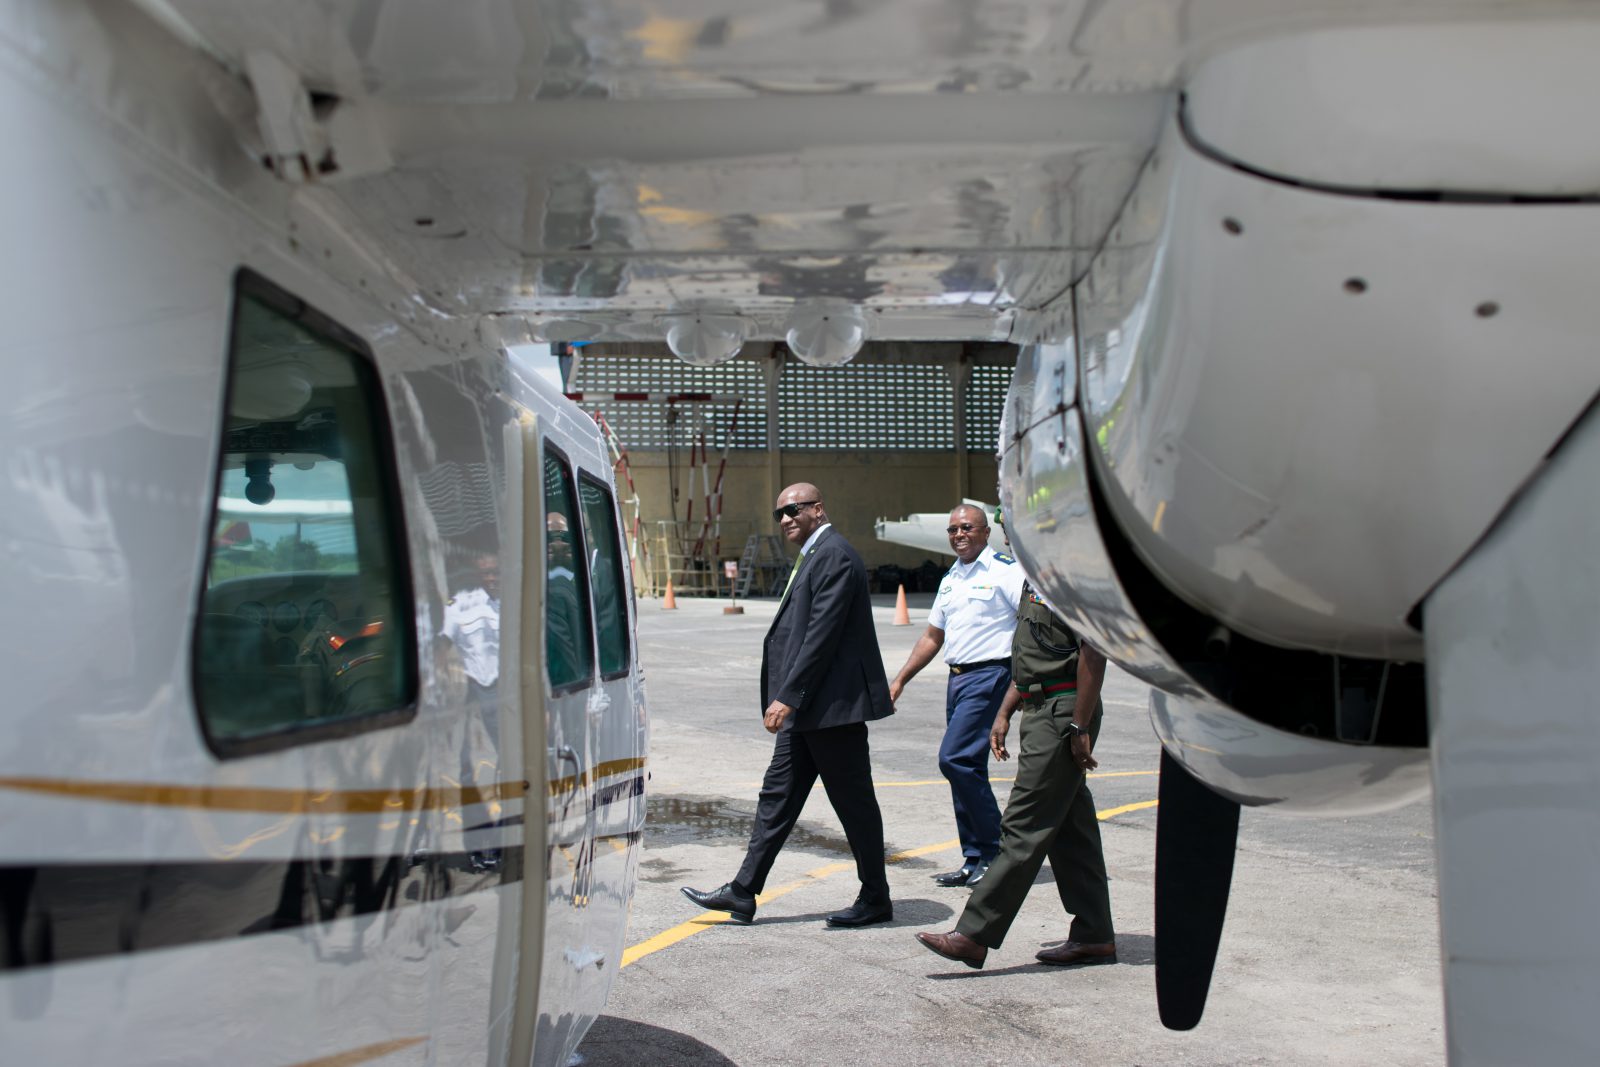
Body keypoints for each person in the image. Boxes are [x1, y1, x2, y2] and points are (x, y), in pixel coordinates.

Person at [682, 483, 895, 927]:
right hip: (809, 710)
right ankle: (743, 891)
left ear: (818, 508)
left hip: (832, 710)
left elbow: (822, 635)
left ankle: (876, 897)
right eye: (779, 513)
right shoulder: (815, 555)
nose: (785, 519)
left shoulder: (834, 555)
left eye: (793, 509)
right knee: (776, 797)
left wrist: (787, 695)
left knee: (853, 804)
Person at [914, 581, 1115, 969]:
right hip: (1038, 706)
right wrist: (1005, 711)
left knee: (1024, 824)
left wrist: (1080, 725)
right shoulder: (1034, 578)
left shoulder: (1072, 577)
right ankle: (1094, 936)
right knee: (1072, 830)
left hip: (1063, 711)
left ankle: (974, 935)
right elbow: (1029, 656)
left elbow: (1094, 651)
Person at [887, 505, 1024, 887]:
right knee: (967, 767)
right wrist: (900, 681)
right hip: (958, 679)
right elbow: (933, 636)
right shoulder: (951, 577)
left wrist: (1018, 687)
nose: (958, 535)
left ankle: (996, 852)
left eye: (966, 528)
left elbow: (1029, 627)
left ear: (985, 532)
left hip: (991, 676)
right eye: (952, 530)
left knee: (955, 759)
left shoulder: (1005, 571)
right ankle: (974, 856)